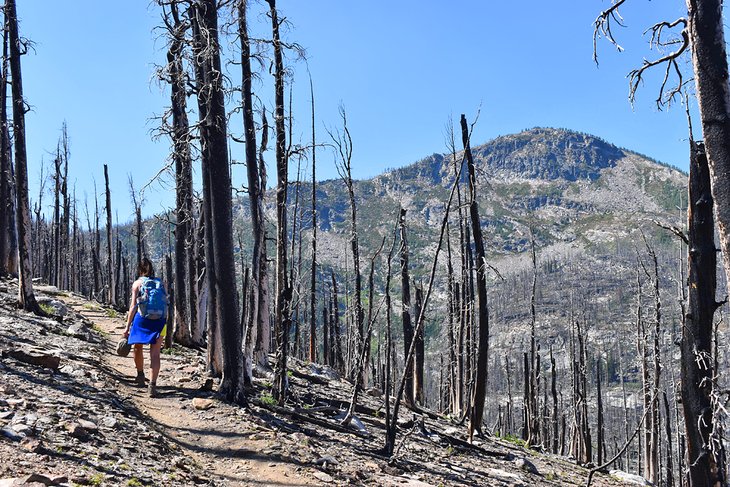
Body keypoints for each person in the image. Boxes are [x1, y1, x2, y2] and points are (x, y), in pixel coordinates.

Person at [123, 257, 167, 398]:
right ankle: (152, 386)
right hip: (160, 321)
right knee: (155, 354)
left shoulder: (137, 283)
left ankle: (140, 375)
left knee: (138, 347)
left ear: (139, 269)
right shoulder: (160, 283)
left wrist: (127, 327)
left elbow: (133, 307)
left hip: (142, 319)